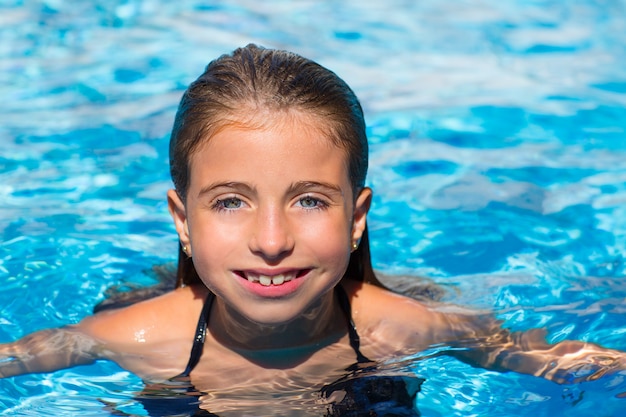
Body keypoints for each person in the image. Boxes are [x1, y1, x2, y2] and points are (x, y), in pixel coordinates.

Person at [0, 44, 624, 416]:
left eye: (308, 200)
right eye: (230, 202)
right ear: (182, 221)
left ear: (356, 218)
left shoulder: (402, 327)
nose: (271, 240)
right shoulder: (136, 336)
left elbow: (556, 355)